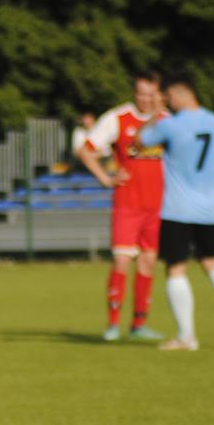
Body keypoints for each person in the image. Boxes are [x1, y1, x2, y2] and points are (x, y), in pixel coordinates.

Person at [137, 75, 214, 351]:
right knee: (213, 262)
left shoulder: (170, 125)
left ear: (176, 94)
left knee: (176, 269)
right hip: (207, 208)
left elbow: (140, 141)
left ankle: (187, 336)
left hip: (177, 209)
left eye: (167, 97)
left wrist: (154, 115)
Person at [77, 73, 167, 343]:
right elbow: (86, 150)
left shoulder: (168, 121)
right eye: (141, 93)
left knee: (148, 262)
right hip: (128, 205)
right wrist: (105, 178)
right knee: (122, 261)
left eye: (151, 94)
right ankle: (113, 324)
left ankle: (139, 325)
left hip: (158, 206)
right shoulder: (117, 118)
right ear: (134, 93)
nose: (146, 99)